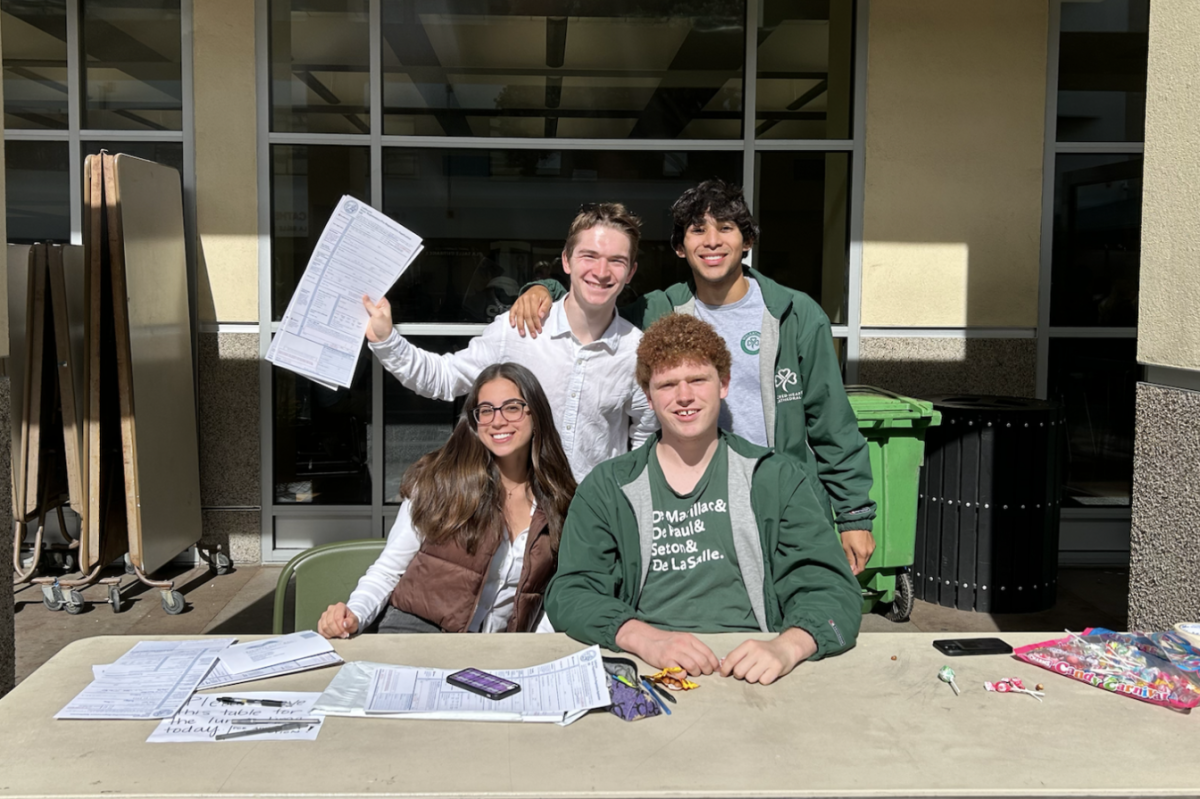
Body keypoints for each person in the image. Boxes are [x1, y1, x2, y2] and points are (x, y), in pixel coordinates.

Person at [509, 180, 877, 573]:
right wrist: (543, 287)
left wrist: (854, 515)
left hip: (777, 502)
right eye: (698, 230)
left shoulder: (794, 315)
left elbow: (831, 423)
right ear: (680, 247)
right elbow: (594, 305)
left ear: (748, 240)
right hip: (689, 508)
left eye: (726, 227)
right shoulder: (658, 310)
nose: (712, 241)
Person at [545, 315, 861, 684]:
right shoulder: (608, 487)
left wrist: (786, 647)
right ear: (648, 396)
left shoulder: (775, 479)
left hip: (754, 666)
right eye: (667, 384)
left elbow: (833, 590)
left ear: (723, 384)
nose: (684, 396)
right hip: (648, 668)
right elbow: (571, 592)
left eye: (697, 380)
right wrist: (645, 638)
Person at [363, 203, 657, 484]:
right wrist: (386, 341)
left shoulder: (637, 351)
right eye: (589, 256)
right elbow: (444, 378)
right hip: (518, 520)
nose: (602, 271)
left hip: (594, 519)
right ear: (566, 261)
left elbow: (646, 437)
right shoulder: (518, 330)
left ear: (630, 271)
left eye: (616, 261)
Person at [318, 363, 576, 637]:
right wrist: (353, 614)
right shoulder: (438, 482)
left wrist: (533, 652)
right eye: (486, 411)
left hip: (497, 654)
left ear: (535, 413)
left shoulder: (560, 501)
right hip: (415, 639)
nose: (498, 421)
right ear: (474, 421)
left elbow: (557, 596)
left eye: (512, 407)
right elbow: (388, 571)